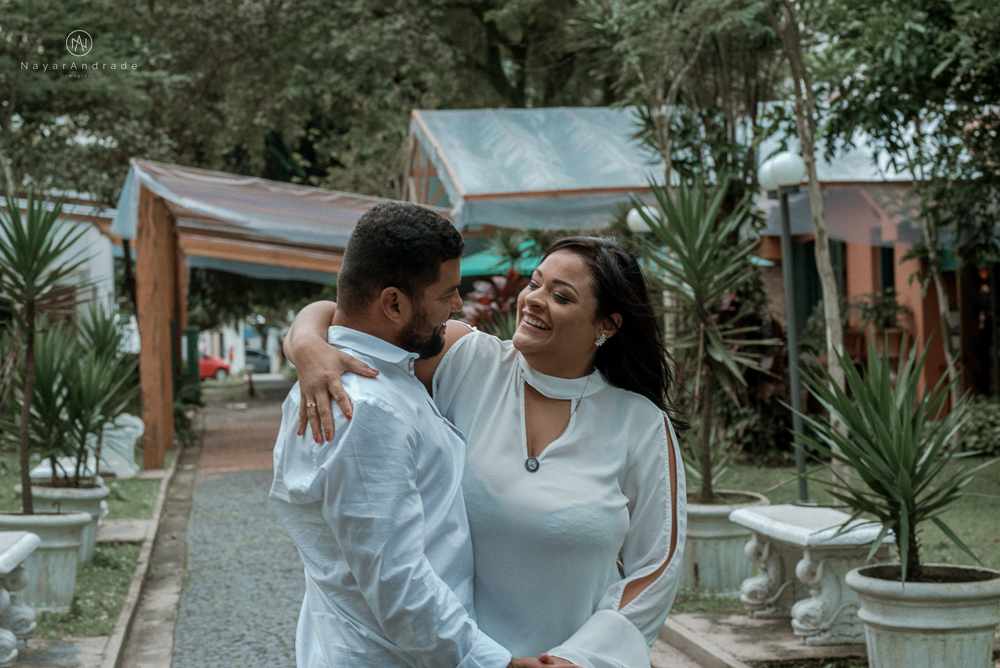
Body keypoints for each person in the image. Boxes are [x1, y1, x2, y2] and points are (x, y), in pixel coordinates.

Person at [285, 236, 686, 668]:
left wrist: (581, 659)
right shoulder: (463, 358)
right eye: (535, 283)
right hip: (455, 656)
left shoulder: (639, 423)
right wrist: (308, 341)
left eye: (561, 296)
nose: (533, 300)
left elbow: (657, 564)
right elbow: (360, 315)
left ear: (606, 325)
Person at [270, 202, 560, 668]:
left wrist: (305, 335)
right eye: (446, 293)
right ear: (393, 303)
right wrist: (496, 662)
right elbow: (396, 579)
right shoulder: (364, 408)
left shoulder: (380, 373)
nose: (458, 305)